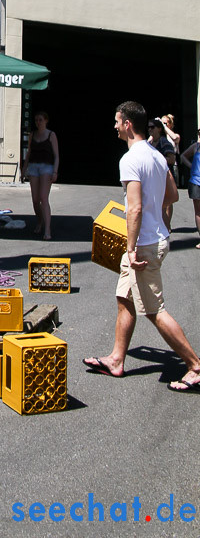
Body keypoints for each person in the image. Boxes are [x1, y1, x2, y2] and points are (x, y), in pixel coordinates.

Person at [83, 101, 200, 392]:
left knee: (154, 310)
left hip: (143, 246)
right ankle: (116, 360)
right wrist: (150, 208)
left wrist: (132, 247)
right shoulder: (157, 156)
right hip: (153, 238)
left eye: (116, 121)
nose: (114, 126)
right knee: (124, 298)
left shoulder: (131, 159)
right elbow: (172, 196)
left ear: (127, 124)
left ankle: (195, 366)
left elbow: (133, 209)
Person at [21, 112, 59, 241]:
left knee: (43, 198)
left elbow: (56, 155)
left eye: (41, 120)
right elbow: (29, 152)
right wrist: (23, 169)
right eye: (36, 120)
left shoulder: (51, 135)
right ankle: (39, 221)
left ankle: (47, 229)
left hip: (46, 167)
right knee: (35, 199)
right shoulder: (33, 134)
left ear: (46, 121)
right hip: (33, 167)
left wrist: (55, 171)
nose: (38, 122)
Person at [180, 128, 200, 248]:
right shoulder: (195, 147)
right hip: (196, 182)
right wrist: (191, 166)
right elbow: (183, 156)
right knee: (198, 212)